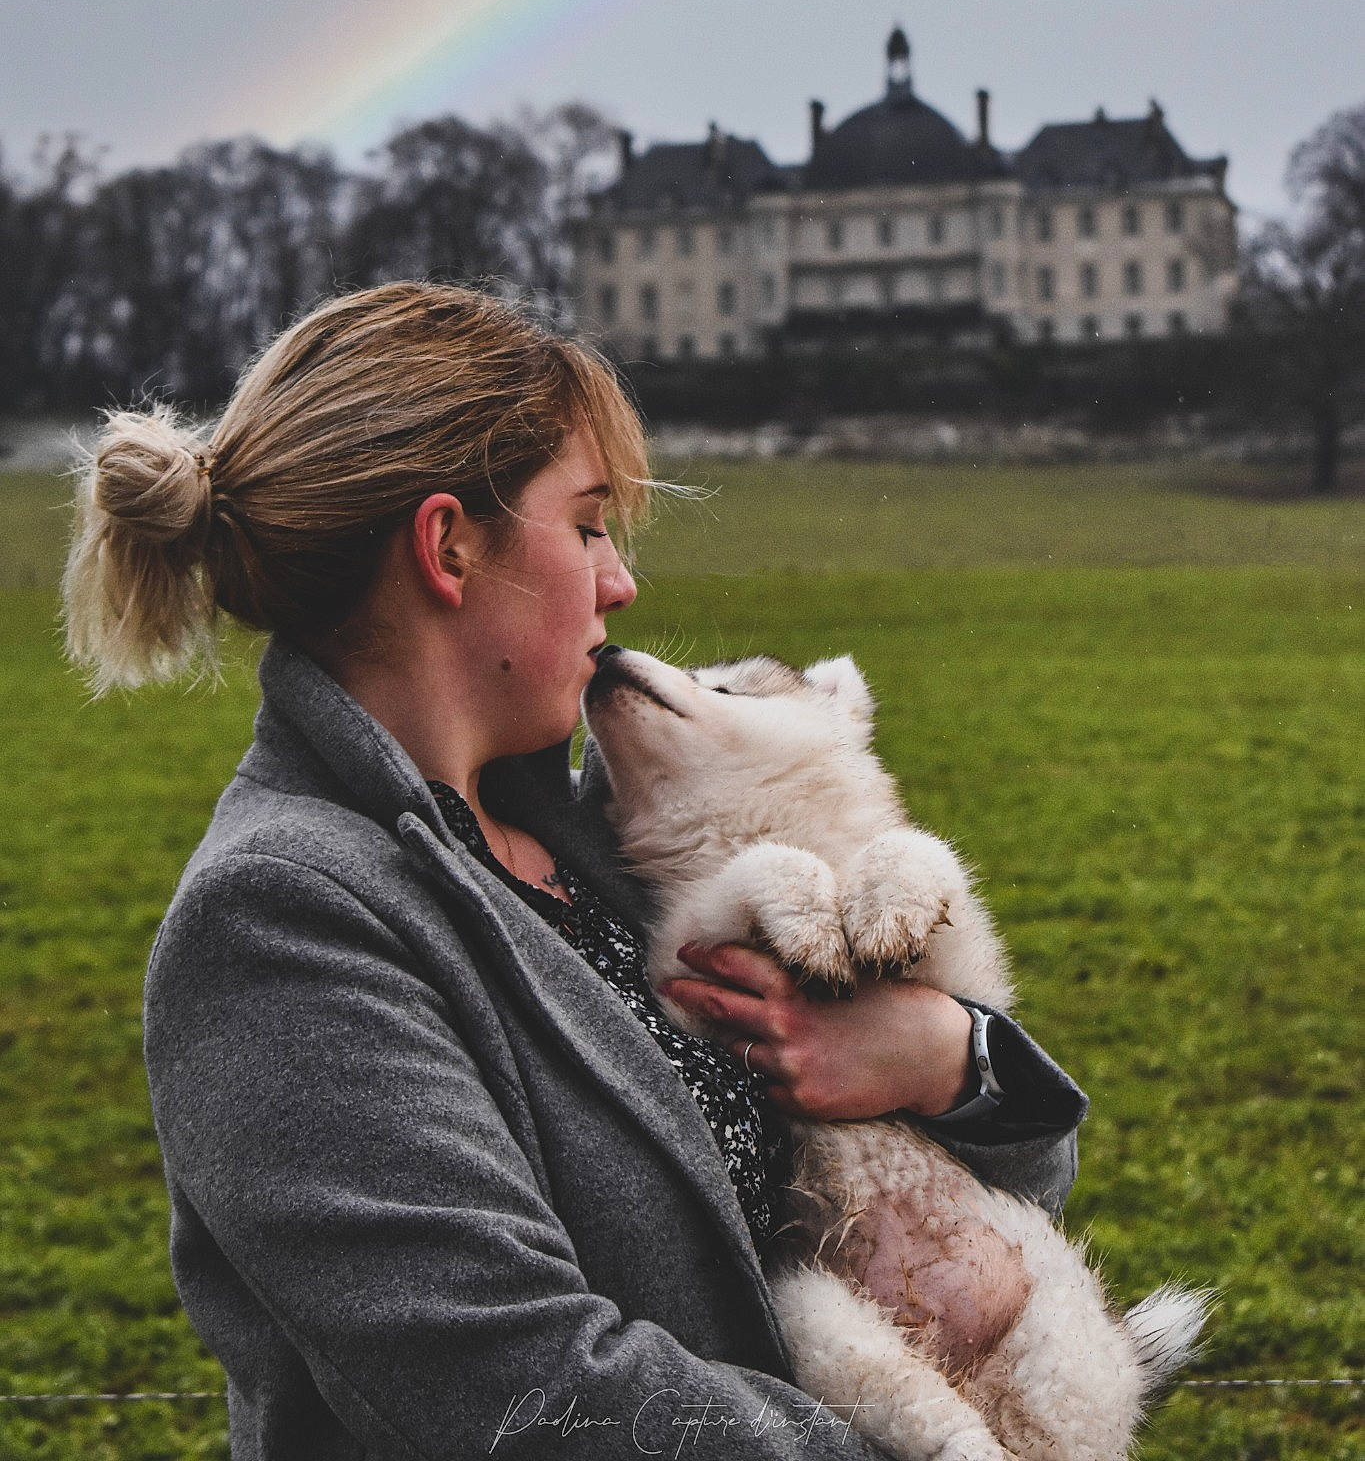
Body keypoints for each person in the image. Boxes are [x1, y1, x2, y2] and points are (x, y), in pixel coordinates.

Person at [64, 281, 1086, 1459]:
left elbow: (981, 1211)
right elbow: (522, 1387)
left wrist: (944, 1056)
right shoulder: (282, 918)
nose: (622, 580)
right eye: (589, 522)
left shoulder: (607, 841)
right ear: (448, 544)